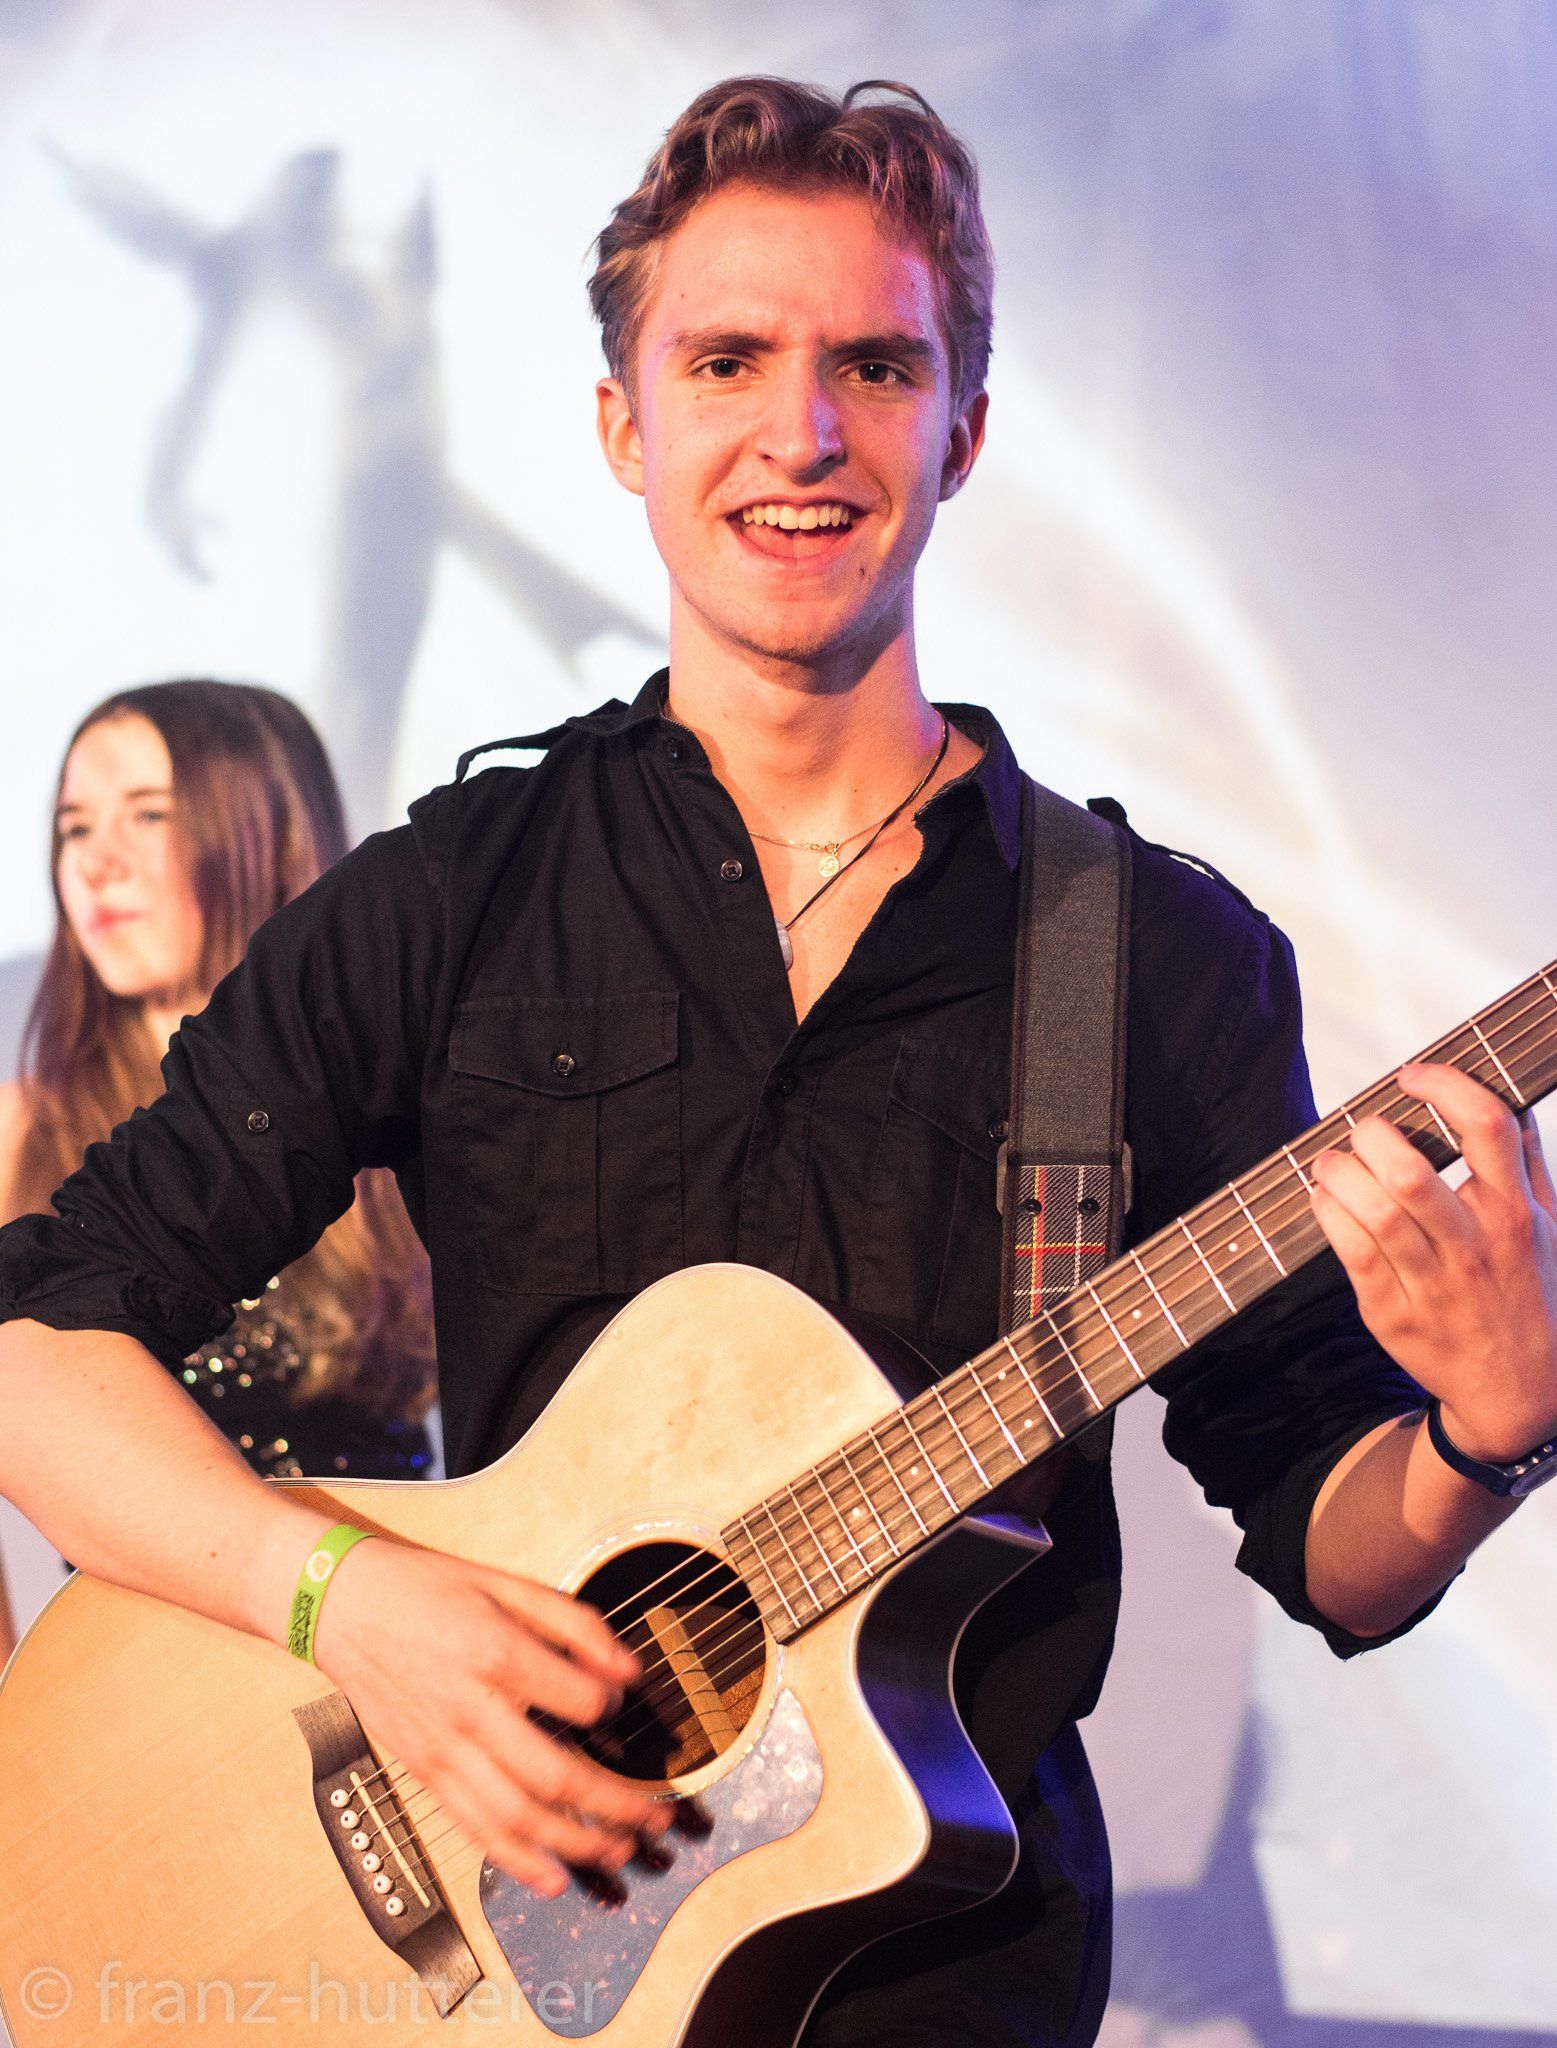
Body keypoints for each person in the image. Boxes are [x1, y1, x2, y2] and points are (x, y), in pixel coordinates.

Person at [0, 78, 1554, 2047]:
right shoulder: (458, 891)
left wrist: (1488, 1435)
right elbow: (35, 1345)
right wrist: (353, 1605)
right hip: (498, 1958)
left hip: (943, 1975)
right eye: (724, 360)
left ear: (959, 430)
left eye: (873, 366)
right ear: (622, 427)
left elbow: (1329, 1533)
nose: (799, 434)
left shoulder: (1153, 958)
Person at [0, 681, 436, 1652]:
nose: (97, 862)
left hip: (395, 1655)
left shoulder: (400, 1107)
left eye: (148, 815)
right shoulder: (21, 1133)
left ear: (267, 833)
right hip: (159, 1696)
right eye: (73, 828)